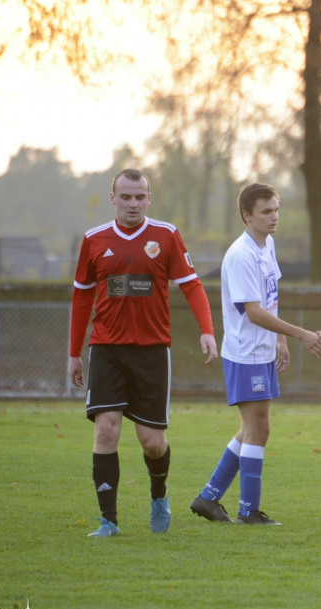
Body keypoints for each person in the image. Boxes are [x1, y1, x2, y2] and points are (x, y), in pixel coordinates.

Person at [68, 168, 219, 538]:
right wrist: (74, 352)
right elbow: (82, 296)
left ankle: (159, 494)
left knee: (152, 442)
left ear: (149, 198)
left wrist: (207, 330)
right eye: (125, 197)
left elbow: (192, 285)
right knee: (106, 430)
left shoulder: (166, 236)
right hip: (106, 349)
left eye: (139, 197)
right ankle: (109, 520)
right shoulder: (94, 239)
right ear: (113, 198)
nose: (132, 204)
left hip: (152, 352)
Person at [189, 183, 321, 526]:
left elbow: (270, 298)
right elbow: (253, 312)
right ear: (247, 215)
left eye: (276, 210)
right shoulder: (241, 255)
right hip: (245, 354)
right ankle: (248, 512)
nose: (274, 217)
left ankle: (208, 498)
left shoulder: (267, 245)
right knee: (258, 428)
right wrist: (300, 335)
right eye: (266, 211)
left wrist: (279, 340)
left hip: (262, 351)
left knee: (252, 428)